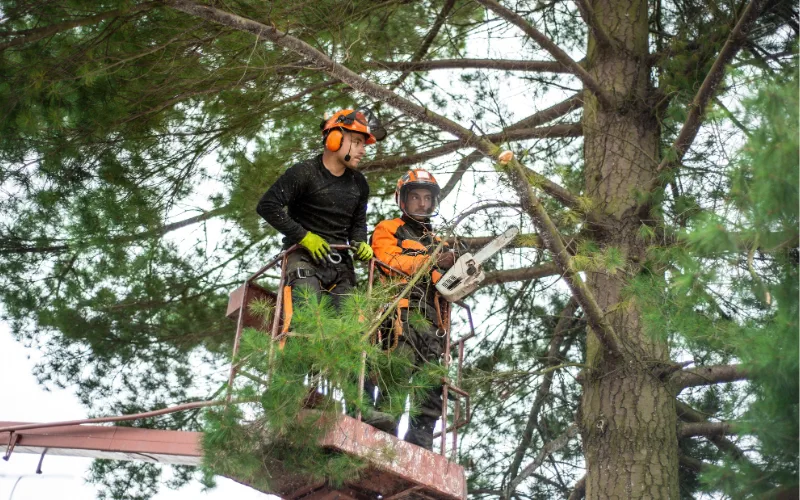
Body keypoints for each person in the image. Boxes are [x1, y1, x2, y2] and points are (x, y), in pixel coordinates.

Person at [256, 108, 382, 310]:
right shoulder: (304, 173)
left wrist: (359, 242)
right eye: (357, 142)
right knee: (308, 315)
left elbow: (357, 223)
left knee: (347, 329)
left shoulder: (359, 184)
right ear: (335, 139)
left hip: (341, 266)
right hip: (302, 259)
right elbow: (268, 206)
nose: (363, 150)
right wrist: (305, 237)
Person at [369, 169, 458, 450]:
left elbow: (449, 288)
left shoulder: (438, 242)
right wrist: (430, 261)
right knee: (397, 376)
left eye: (427, 198)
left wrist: (456, 266)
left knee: (431, 391)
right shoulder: (389, 228)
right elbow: (387, 260)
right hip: (402, 314)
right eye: (416, 197)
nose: (422, 203)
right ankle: (381, 442)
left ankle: (420, 446)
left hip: (435, 324)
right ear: (403, 200)